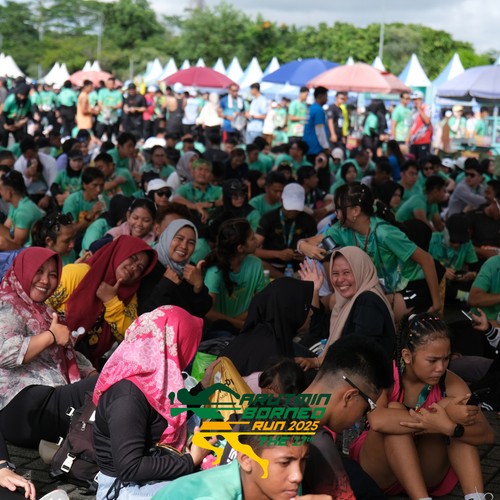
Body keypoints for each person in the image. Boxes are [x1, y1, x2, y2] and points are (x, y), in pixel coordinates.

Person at [349, 313, 494, 500]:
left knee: (458, 416)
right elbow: (377, 420)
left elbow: (487, 434)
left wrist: (451, 427)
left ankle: (476, 497)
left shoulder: (449, 381)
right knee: (396, 411)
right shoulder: (386, 374)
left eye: (446, 359)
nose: (440, 368)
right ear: (407, 356)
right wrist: (436, 420)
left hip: (425, 470)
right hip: (380, 470)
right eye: (432, 360)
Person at [93, 305, 211, 499]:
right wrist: (190, 461)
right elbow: (130, 468)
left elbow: (166, 416)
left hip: (146, 475)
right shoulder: (128, 398)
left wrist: (202, 389)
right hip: (124, 488)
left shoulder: (151, 378)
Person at [298, 183, 441, 322]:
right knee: (334, 301)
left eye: (339, 208)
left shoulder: (385, 234)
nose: (336, 213)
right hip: (381, 287)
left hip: (412, 287)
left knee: (365, 310)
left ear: (355, 211)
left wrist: (436, 304)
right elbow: (308, 241)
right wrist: (303, 246)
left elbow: (427, 260)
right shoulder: (342, 230)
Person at [0, 248, 97, 449]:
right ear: (24, 270)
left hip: (48, 401)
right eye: (39, 271)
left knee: (110, 387)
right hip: (21, 409)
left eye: (52, 274)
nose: (45, 280)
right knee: (112, 387)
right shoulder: (7, 304)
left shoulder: (44, 311)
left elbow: (64, 351)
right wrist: (51, 336)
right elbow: (4, 353)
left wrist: (91, 372)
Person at [46, 235, 157, 365]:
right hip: (49, 350)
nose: (134, 267)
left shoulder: (129, 297)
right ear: (119, 252)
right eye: (132, 258)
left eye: (140, 268)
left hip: (85, 364)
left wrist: (111, 301)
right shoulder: (79, 274)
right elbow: (38, 307)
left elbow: (132, 337)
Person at [222, 278, 314, 376]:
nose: (311, 313)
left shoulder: (251, 337)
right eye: (306, 307)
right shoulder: (275, 360)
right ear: (291, 311)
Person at [138, 218, 212, 317]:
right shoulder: (150, 265)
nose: (184, 246)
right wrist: (166, 283)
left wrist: (199, 286)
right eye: (179, 238)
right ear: (167, 238)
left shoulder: (190, 269)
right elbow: (145, 315)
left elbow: (201, 311)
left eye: (191, 242)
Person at [204, 218, 265, 333]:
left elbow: (262, 302)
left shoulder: (256, 264)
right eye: (252, 238)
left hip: (246, 323)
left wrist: (238, 322)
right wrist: (238, 324)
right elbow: (209, 313)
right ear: (240, 248)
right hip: (219, 330)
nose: (256, 240)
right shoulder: (215, 272)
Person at [255, 183, 317, 276]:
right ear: (281, 200)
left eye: (296, 208)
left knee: (315, 264)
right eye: (289, 207)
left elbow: (316, 247)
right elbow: (254, 250)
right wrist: (278, 254)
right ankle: (283, 278)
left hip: (299, 267)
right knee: (256, 262)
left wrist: (306, 254)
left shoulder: (309, 220)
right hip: (272, 266)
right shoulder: (268, 218)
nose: (293, 211)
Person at [0, 170, 45, 250]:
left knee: (2, 242)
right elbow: (6, 228)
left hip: (30, 250)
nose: (0, 192)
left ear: (10, 192)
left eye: (1, 189)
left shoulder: (23, 212)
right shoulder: (15, 205)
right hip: (20, 245)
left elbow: (17, 244)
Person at [173, 159, 223, 225]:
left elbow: (224, 200)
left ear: (211, 174)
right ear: (193, 172)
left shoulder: (218, 189)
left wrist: (210, 204)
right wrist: (196, 207)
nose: (203, 173)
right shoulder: (185, 188)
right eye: (200, 169)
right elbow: (176, 199)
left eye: (207, 170)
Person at [62, 167, 106, 235]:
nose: (99, 190)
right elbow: (71, 231)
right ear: (84, 185)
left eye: (102, 185)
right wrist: (90, 215)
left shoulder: (105, 200)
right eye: (95, 185)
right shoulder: (72, 201)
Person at [303, 86, 329, 161]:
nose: (327, 99)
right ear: (320, 96)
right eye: (326, 96)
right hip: (316, 148)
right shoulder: (318, 110)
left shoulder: (311, 108)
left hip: (309, 146)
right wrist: (326, 146)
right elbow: (320, 130)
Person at [408, 90, 432, 160]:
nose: (415, 101)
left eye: (417, 99)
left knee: (422, 160)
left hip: (423, 140)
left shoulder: (427, 107)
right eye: (413, 100)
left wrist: (419, 109)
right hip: (413, 141)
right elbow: (411, 125)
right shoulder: (412, 110)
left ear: (421, 99)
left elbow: (427, 121)